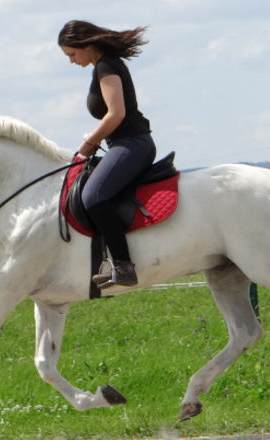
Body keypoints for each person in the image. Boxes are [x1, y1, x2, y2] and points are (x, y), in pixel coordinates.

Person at [58, 20, 156, 289]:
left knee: (93, 197)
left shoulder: (106, 66)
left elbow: (117, 113)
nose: (71, 61)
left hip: (132, 144)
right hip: (121, 144)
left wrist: (90, 141)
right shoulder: (102, 66)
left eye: (72, 54)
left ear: (86, 45)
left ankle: (123, 266)